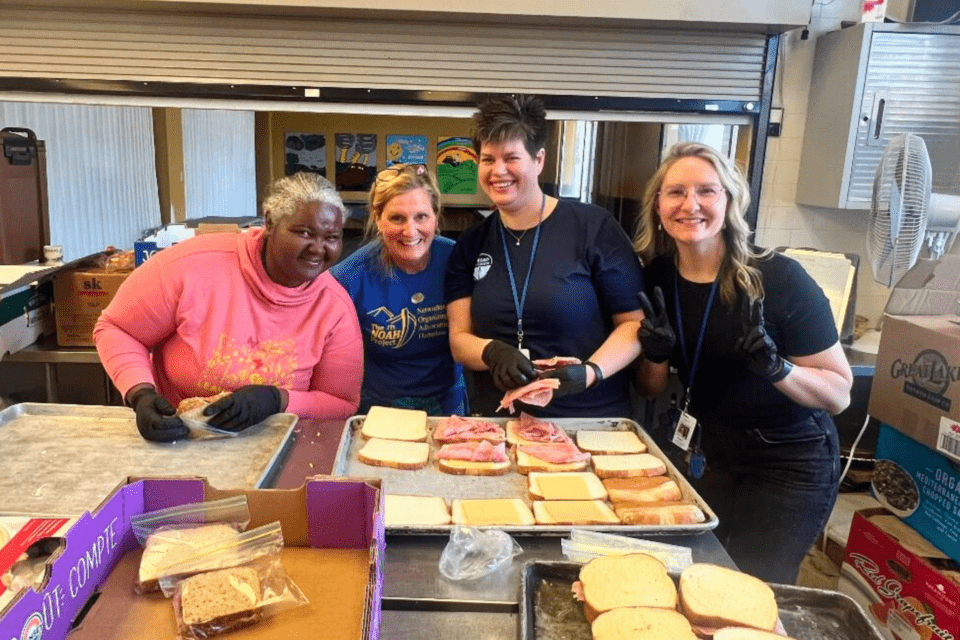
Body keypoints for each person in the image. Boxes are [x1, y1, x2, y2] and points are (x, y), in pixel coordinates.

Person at [633, 141, 853, 584]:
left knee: (756, 584)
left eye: (706, 191)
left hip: (788, 459)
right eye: (675, 192)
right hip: (709, 451)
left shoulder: (778, 278)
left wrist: (777, 368)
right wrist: (655, 354)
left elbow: (840, 394)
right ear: (658, 206)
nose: (690, 204)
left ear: (730, 202)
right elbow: (652, 387)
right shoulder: (657, 276)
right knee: (697, 574)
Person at [94, 172, 363, 442]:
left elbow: (340, 402)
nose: (318, 248)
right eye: (304, 232)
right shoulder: (192, 265)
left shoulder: (333, 308)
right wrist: (140, 392)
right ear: (270, 222)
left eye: (331, 237)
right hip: (176, 437)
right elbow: (118, 329)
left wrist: (277, 400)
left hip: (277, 447)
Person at [445, 94, 644, 417]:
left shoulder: (593, 228)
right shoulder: (471, 243)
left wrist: (592, 371)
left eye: (511, 157)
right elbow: (459, 340)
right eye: (487, 159)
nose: (498, 171)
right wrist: (491, 351)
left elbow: (634, 325)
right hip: (502, 427)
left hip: (589, 421)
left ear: (539, 159)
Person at [331, 163, 466, 415]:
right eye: (397, 218)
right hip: (381, 409)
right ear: (377, 218)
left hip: (448, 406)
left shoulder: (459, 261)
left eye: (421, 216)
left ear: (436, 216)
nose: (410, 231)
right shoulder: (347, 277)